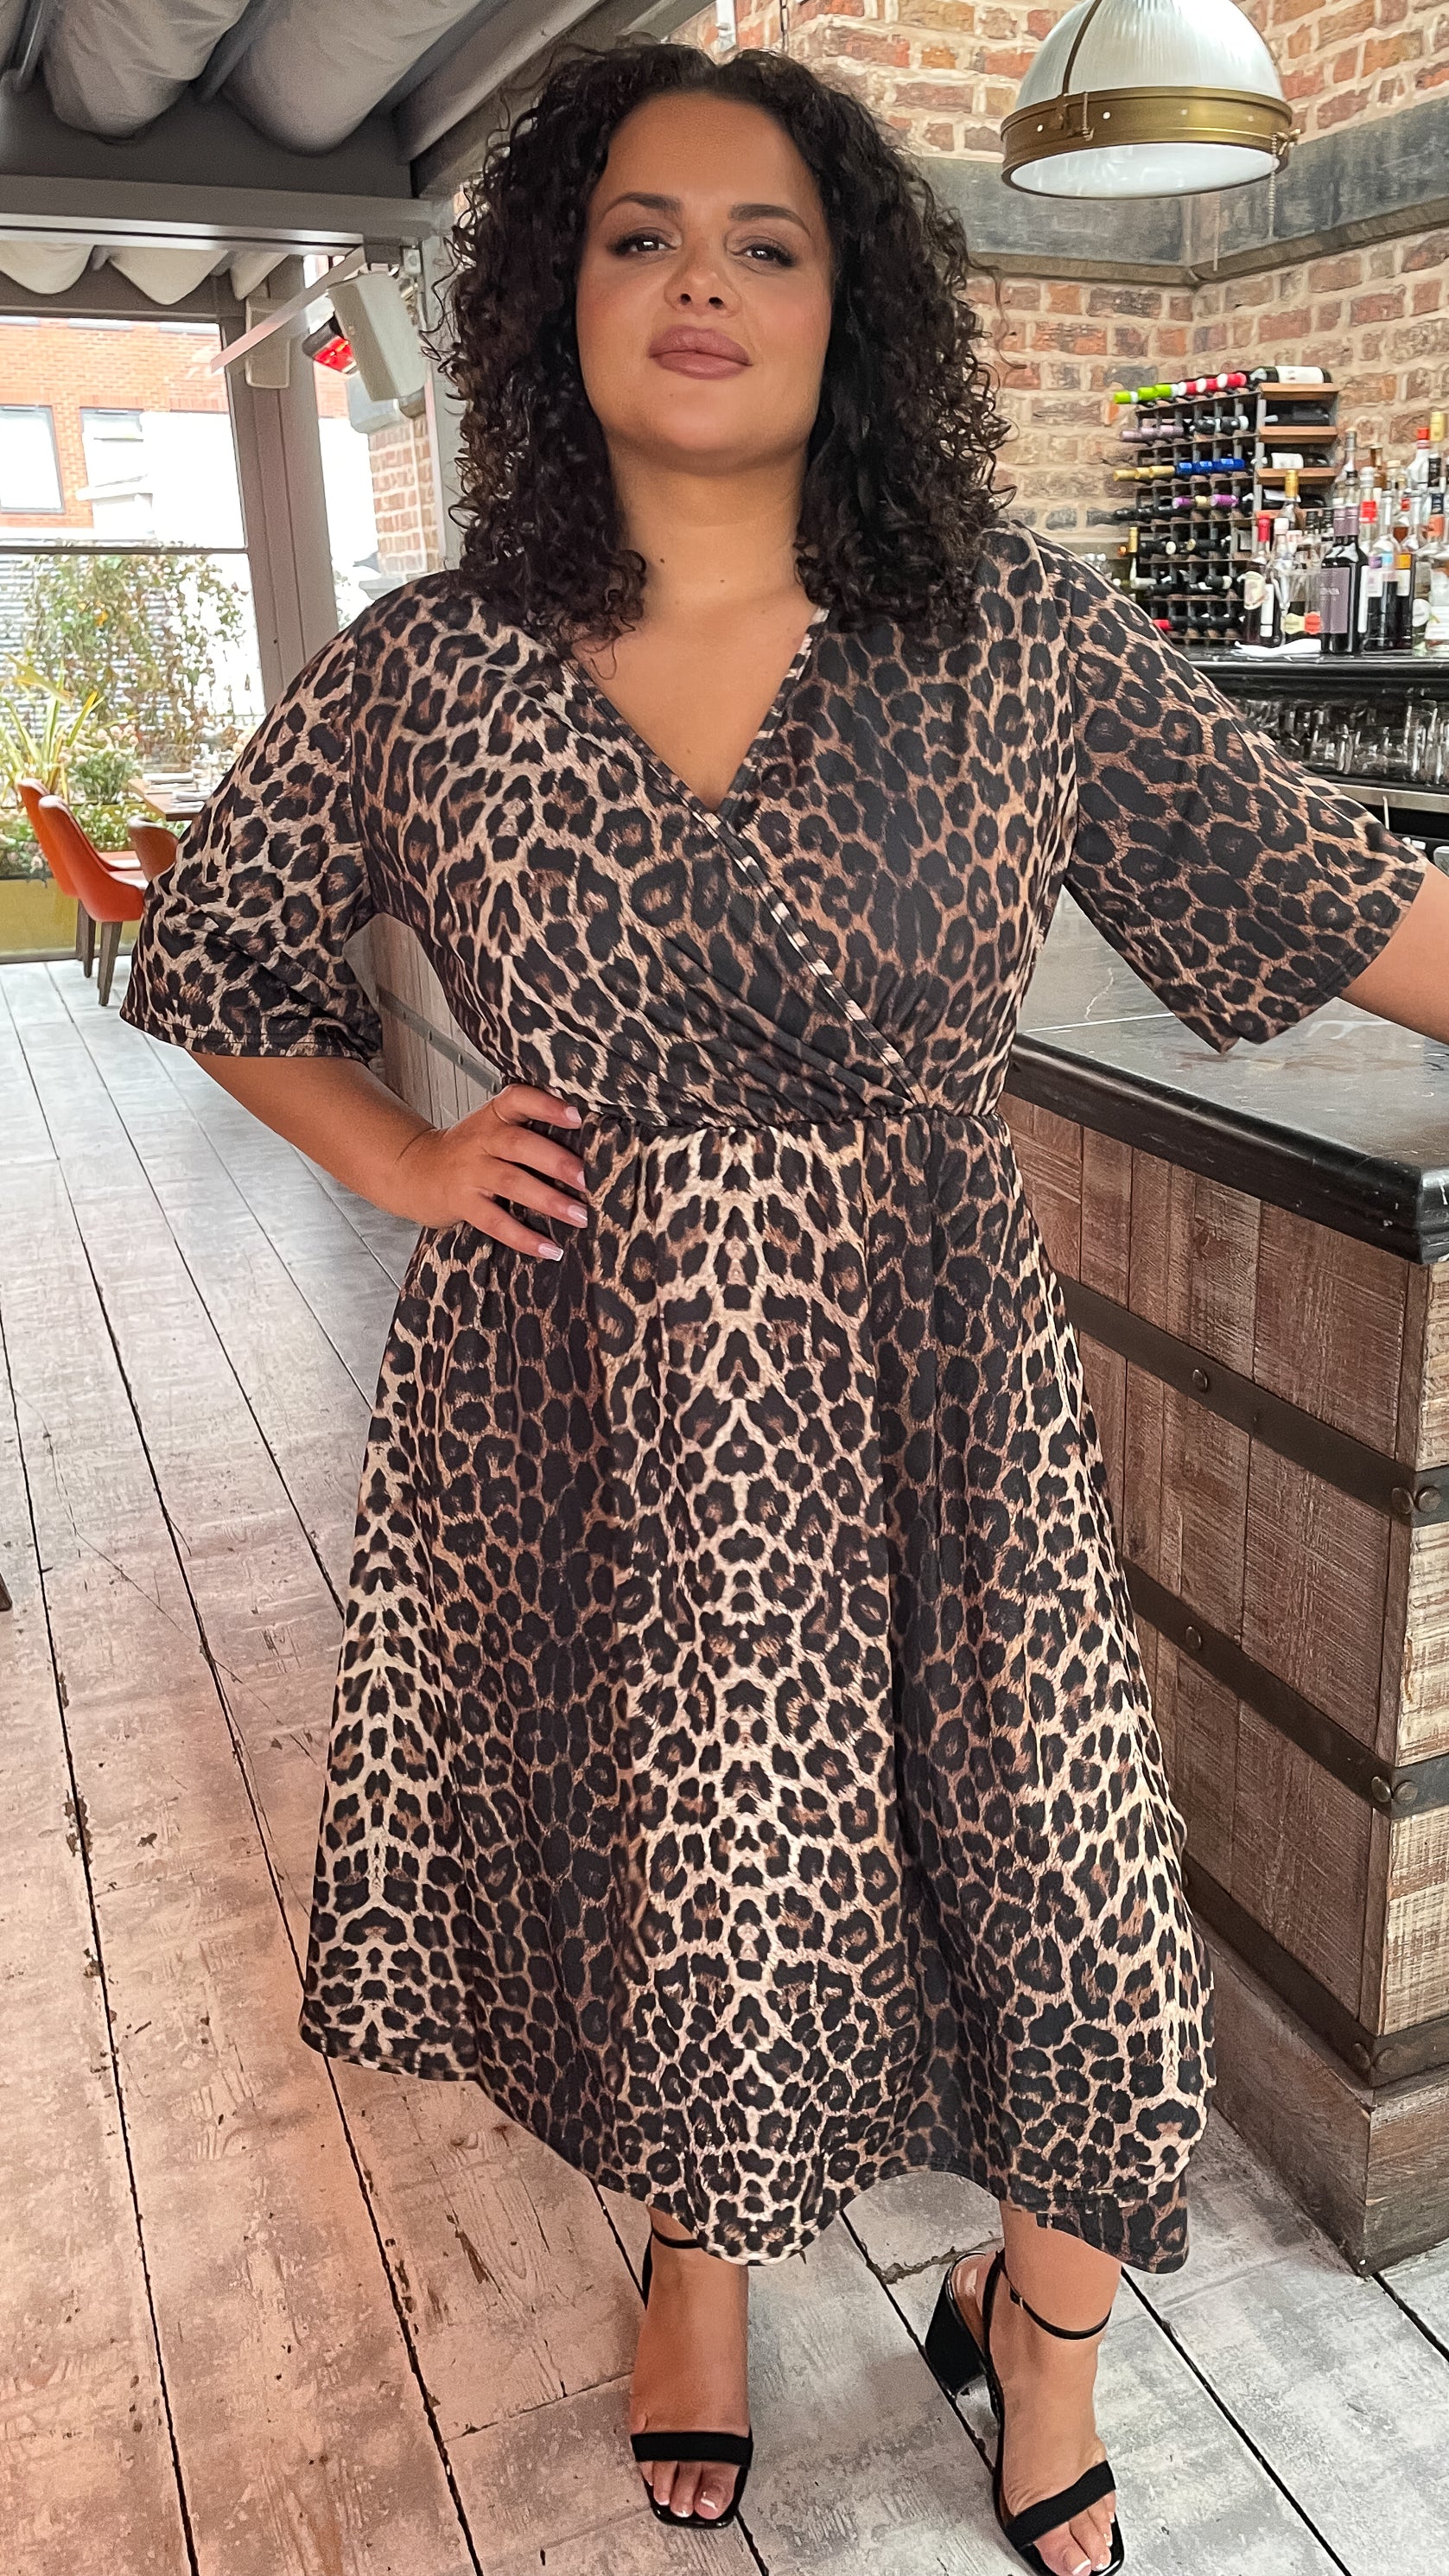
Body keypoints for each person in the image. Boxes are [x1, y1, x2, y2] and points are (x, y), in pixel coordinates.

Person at [118, 41, 1449, 2576]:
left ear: (856, 308)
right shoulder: (434, 667)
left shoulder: (1012, 636)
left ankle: (1035, 2333)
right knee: (698, 1881)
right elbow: (220, 952)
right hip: (590, 1387)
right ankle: (698, 2275)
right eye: (640, 234)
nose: (701, 284)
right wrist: (406, 1155)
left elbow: (1353, 903)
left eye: (767, 241)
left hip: (941, 1383)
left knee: (1078, 1919)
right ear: (555, 293)